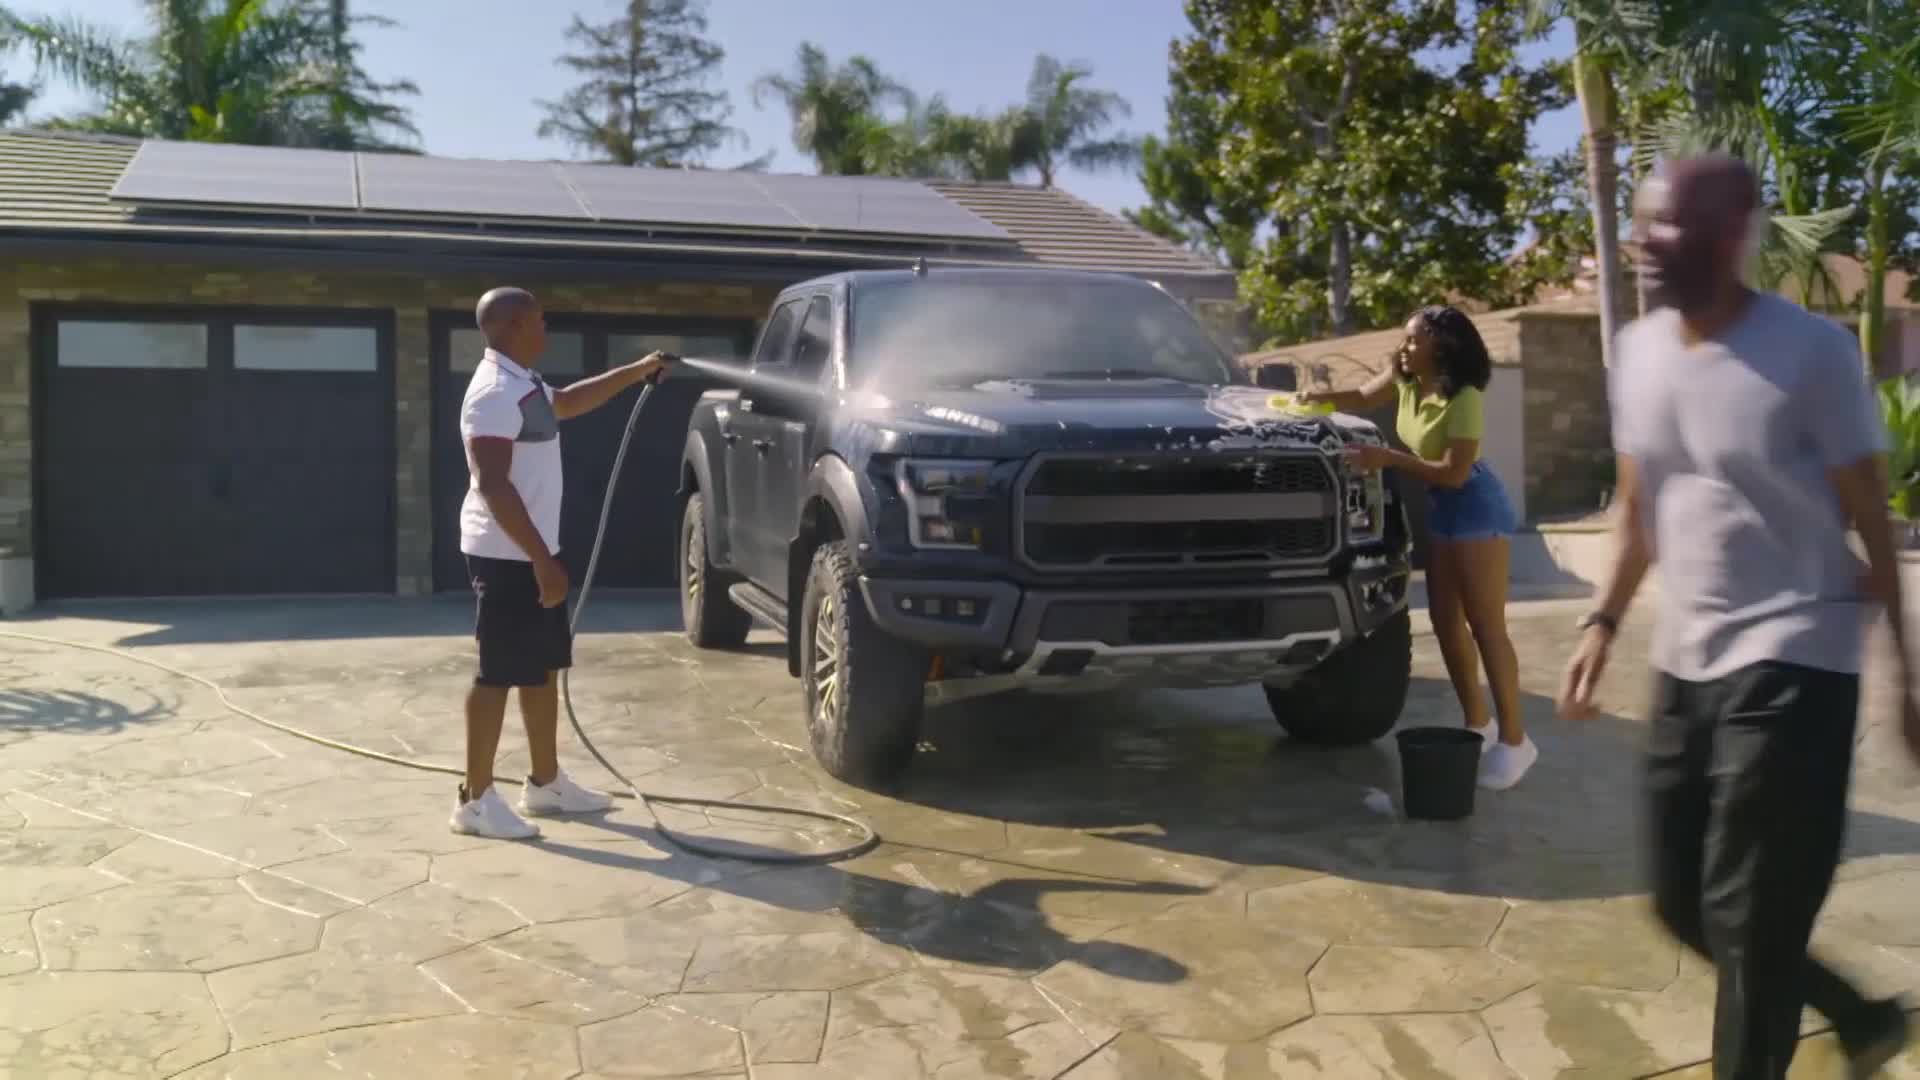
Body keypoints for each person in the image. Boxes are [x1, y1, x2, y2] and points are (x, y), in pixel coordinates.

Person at [1557, 153, 1918, 1077]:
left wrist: (1903, 677)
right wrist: (1601, 623)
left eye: (1666, 224)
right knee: (1682, 902)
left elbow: (1873, 518)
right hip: (1690, 658)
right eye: (1640, 221)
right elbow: (1639, 506)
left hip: (1799, 653)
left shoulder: (1811, 354)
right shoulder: (1637, 353)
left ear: (1730, 234)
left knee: (1754, 920)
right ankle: (1857, 1014)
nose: (1643, 242)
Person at [451, 286, 676, 840]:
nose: (546, 329)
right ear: (510, 327)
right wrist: (539, 561)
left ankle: (545, 784)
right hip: (506, 553)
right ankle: (474, 800)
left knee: (541, 667)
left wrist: (635, 371)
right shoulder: (493, 394)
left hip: (532, 549)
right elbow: (493, 485)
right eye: (539, 320)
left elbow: (569, 402)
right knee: (496, 673)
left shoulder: (523, 382)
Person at [1298, 304, 1534, 789]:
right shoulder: (1405, 378)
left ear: (1442, 347)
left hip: (1474, 505)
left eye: (1413, 339)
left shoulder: (1463, 396)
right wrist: (1311, 400)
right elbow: (1362, 397)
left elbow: (1455, 471)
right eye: (1405, 339)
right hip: (1441, 505)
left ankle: (1516, 740)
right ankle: (1478, 724)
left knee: (1486, 626)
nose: (1404, 347)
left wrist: (1386, 458)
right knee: (1445, 621)